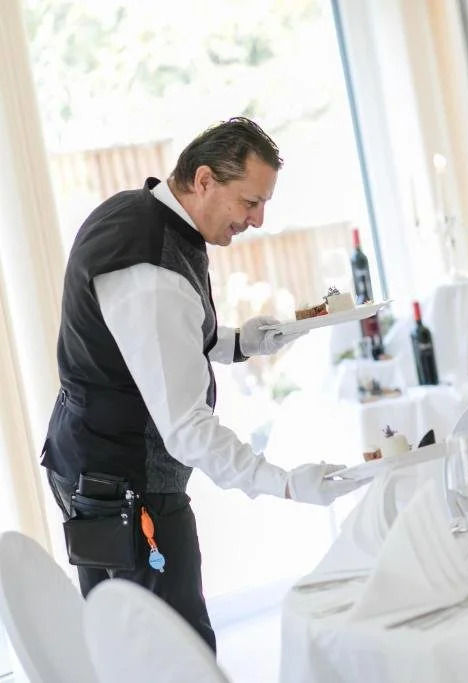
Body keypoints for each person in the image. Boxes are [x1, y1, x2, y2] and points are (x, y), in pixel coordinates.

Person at [40, 117, 362, 652]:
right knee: (176, 652)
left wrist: (241, 342)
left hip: (90, 463)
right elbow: (187, 428)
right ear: (205, 180)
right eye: (250, 202)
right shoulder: (152, 271)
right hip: (125, 486)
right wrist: (286, 483)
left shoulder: (141, 213)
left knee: (131, 647)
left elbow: (153, 343)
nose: (258, 220)